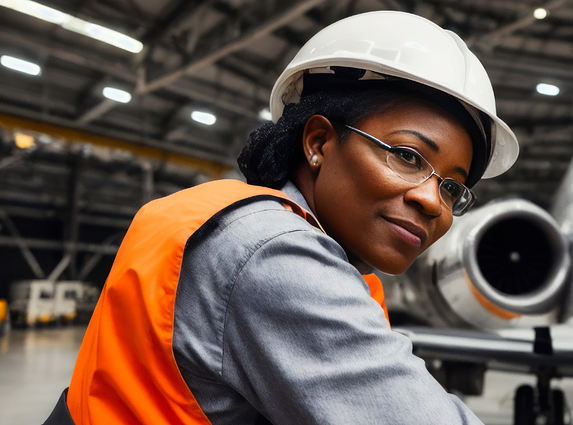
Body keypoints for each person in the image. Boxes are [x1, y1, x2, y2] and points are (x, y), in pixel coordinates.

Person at [44, 10, 518, 425]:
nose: (434, 202)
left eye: (452, 187)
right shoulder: (274, 254)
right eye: (408, 156)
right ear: (318, 143)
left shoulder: (238, 222)